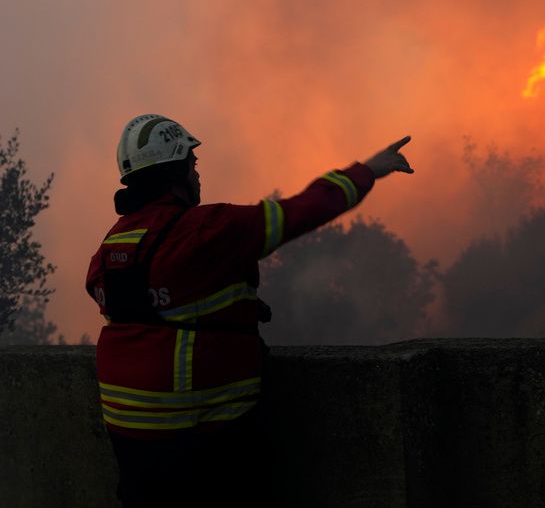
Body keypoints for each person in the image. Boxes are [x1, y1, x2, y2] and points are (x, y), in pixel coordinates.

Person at [85, 114, 413, 507]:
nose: (197, 174)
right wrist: (368, 170)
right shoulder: (209, 229)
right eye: (192, 164)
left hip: (134, 452)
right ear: (175, 173)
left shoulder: (112, 246)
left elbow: (158, 306)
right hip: (205, 446)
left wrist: (234, 306)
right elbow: (303, 210)